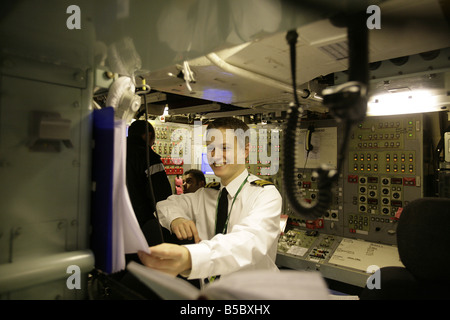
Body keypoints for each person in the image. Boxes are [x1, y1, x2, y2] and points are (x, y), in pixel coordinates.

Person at [138, 117, 282, 282]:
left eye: (225, 147)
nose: (215, 155)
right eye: (211, 148)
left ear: (246, 150)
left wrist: (190, 258)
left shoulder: (265, 195)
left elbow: (247, 243)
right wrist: (176, 219)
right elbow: (164, 205)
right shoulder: (204, 195)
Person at [126, 120, 174, 246]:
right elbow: (161, 194)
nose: (152, 144)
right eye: (153, 140)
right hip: (143, 222)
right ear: (148, 135)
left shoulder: (114, 151)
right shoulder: (148, 157)